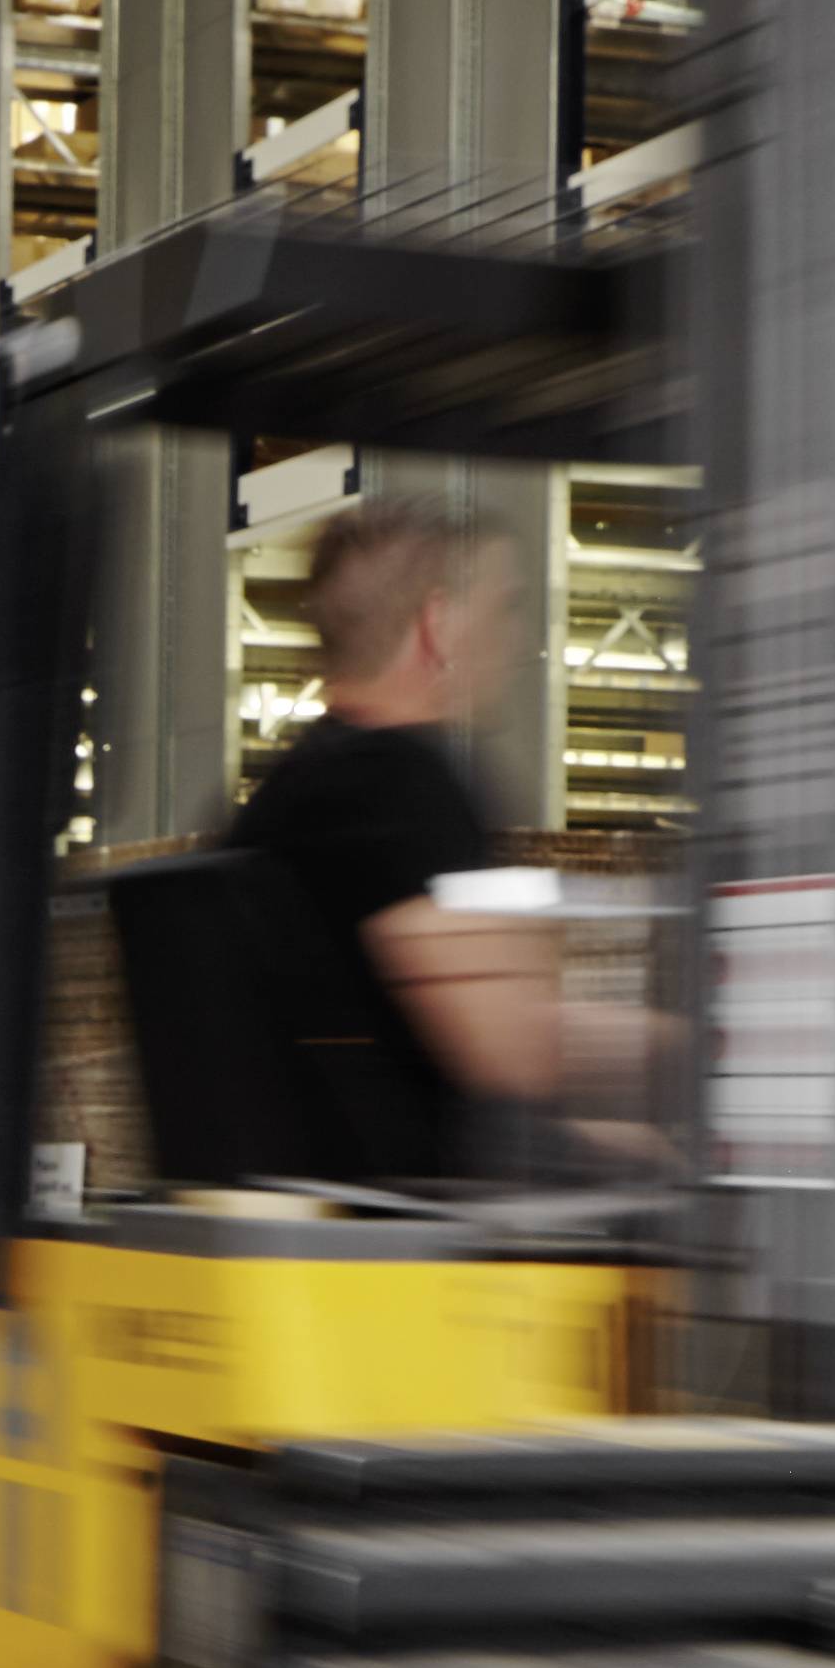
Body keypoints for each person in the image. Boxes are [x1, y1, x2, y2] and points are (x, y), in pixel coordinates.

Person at [231, 495, 562, 1176]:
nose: (514, 640)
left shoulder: (285, 794)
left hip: (315, 1198)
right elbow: (518, 1052)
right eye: (502, 608)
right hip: (411, 1211)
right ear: (438, 625)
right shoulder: (399, 786)